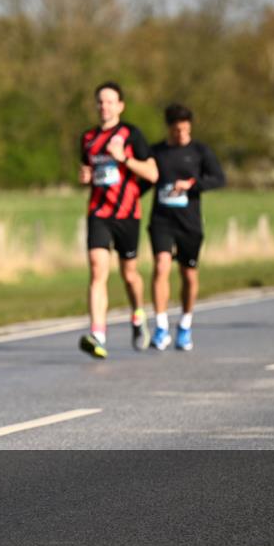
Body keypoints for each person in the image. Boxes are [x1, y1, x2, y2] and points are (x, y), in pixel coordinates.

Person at [78, 81, 158, 359]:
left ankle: (138, 314)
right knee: (98, 269)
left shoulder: (131, 134)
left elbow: (153, 174)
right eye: (100, 101)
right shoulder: (87, 138)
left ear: (120, 106)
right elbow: (89, 171)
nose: (104, 106)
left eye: (110, 101)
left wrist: (123, 158)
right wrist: (85, 178)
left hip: (127, 214)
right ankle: (98, 334)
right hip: (99, 213)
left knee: (129, 274)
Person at [147, 104, 225, 351]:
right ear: (169, 128)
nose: (181, 135)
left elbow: (218, 179)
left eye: (185, 130)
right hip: (161, 220)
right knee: (161, 266)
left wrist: (191, 185)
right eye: (177, 130)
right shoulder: (157, 152)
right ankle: (160, 327)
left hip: (189, 222)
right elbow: (143, 179)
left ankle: (185, 324)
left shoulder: (200, 151)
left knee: (188, 275)